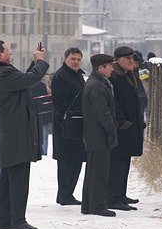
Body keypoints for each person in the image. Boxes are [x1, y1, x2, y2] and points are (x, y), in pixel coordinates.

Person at [0, 40, 49, 229]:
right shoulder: (2, 72)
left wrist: (34, 62)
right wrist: (39, 62)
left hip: (12, 130)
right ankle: (17, 220)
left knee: (8, 177)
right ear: (0, 55)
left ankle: (6, 220)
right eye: (7, 51)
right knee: (19, 178)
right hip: (15, 131)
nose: (10, 54)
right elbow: (30, 79)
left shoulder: (0, 72)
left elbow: (23, 78)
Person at [108, 46, 145, 211]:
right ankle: (113, 197)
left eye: (132, 58)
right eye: (128, 58)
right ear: (119, 60)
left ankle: (120, 195)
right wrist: (124, 122)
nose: (132, 61)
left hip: (129, 127)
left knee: (125, 162)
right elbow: (114, 104)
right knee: (117, 162)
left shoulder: (127, 75)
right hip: (121, 128)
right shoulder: (115, 77)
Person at [81, 54, 117, 217]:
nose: (112, 68)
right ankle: (97, 205)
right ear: (100, 68)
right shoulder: (97, 85)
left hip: (95, 134)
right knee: (99, 171)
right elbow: (101, 112)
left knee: (94, 170)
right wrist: (111, 130)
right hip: (98, 134)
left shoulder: (97, 82)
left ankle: (89, 204)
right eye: (109, 65)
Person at [51, 47, 87, 206]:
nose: (76, 62)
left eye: (78, 59)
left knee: (77, 160)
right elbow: (59, 104)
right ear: (65, 59)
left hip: (78, 126)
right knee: (67, 162)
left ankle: (68, 194)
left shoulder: (78, 76)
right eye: (73, 59)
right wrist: (71, 116)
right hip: (65, 127)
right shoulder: (61, 76)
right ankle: (64, 195)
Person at [41, 74, 53, 155]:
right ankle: (44, 151)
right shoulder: (42, 86)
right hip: (45, 113)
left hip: (50, 113)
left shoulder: (51, 85)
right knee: (44, 135)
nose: (46, 78)